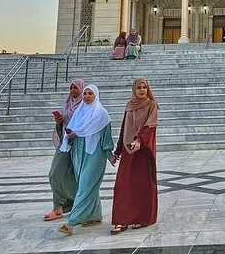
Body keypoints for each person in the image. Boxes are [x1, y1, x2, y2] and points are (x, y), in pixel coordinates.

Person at [58, 84, 114, 236]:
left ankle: (71, 222)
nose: (87, 96)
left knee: (85, 187)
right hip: (78, 154)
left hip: (95, 155)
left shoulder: (101, 114)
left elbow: (106, 137)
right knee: (87, 186)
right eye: (85, 94)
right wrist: (70, 135)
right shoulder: (79, 112)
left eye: (90, 94)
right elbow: (69, 132)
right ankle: (94, 215)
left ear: (96, 95)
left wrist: (109, 154)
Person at [110, 78, 159, 233]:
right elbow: (124, 129)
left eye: (144, 87)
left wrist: (140, 140)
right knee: (122, 185)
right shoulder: (129, 106)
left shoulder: (152, 105)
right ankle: (121, 220)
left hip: (143, 152)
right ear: (134, 90)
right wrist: (117, 152)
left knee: (142, 185)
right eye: (139, 88)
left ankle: (142, 218)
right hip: (128, 149)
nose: (142, 90)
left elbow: (150, 126)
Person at [44, 79, 84, 221]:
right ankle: (58, 206)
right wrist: (59, 122)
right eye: (71, 87)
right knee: (55, 174)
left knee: (74, 176)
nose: (73, 90)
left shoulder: (85, 105)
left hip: (79, 144)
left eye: (76, 88)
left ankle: (72, 204)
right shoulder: (67, 104)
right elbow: (63, 125)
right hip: (65, 143)